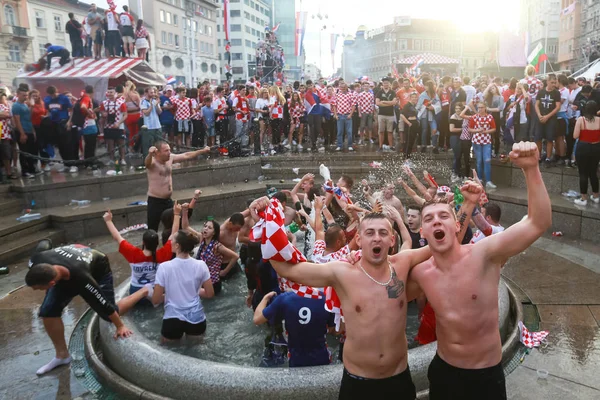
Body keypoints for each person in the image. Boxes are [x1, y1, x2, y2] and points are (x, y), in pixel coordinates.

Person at [409, 142, 552, 399]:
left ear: (456, 224)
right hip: (443, 372)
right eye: (429, 219)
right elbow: (383, 289)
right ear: (423, 232)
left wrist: (531, 169)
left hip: (485, 375)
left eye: (443, 216)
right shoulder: (421, 273)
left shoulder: (484, 254)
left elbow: (537, 223)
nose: (436, 221)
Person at [253, 200, 434, 398]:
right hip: (358, 380)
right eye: (370, 233)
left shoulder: (403, 263)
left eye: (383, 233)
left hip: (398, 378)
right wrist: (267, 220)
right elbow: (287, 269)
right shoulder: (342, 271)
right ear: (359, 238)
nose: (376, 238)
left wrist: (467, 205)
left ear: (392, 240)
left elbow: (442, 246)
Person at [26, 243, 144, 375]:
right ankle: (62, 356)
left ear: (52, 284)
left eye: (39, 288)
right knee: (48, 310)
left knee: (109, 314)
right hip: (71, 260)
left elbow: (103, 303)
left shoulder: (81, 278)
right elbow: (44, 243)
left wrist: (120, 326)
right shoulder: (36, 259)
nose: (37, 291)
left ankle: (144, 291)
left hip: (98, 268)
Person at [152, 229, 215, 342]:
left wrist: (172, 293)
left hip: (172, 318)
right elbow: (210, 294)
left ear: (177, 245)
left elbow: (156, 299)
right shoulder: (201, 265)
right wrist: (194, 290)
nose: (170, 241)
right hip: (196, 318)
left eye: (172, 239)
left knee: (168, 353)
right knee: (195, 355)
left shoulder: (164, 267)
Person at [254, 289, 335, 367]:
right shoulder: (325, 298)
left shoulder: (284, 299)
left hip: (296, 360)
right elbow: (335, 331)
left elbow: (257, 319)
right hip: (322, 358)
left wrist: (265, 298)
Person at [103, 209, 175, 295]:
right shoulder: (162, 254)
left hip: (135, 292)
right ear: (157, 243)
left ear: (143, 242)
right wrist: (177, 215)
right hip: (155, 292)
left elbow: (117, 237)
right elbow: (174, 234)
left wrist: (108, 221)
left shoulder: (133, 253)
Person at [144, 140, 210, 232]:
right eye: (166, 151)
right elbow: (147, 163)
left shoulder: (170, 158)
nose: (169, 152)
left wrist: (202, 151)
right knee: (152, 230)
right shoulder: (152, 162)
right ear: (157, 152)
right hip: (155, 201)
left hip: (168, 201)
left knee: (177, 225)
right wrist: (150, 154)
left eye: (169, 150)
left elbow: (186, 155)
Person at [184, 217, 238, 295]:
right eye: (205, 226)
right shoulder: (202, 239)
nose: (206, 229)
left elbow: (235, 256)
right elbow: (186, 227)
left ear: (214, 233)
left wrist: (224, 271)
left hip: (213, 283)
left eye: (209, 228)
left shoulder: (217, 247)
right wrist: (185, 211)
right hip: (201, 280)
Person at [573, 100, 600, 206]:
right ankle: (596, 196)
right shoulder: (599, 120)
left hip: (583, 147)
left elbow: (575, 136)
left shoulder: (581, 120)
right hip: (596, 148)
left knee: (583, 173)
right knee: (593, 172)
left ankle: (584, 198)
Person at [468, 102, 497, 189]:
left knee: (487, 160)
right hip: (476, 141)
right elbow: (470, 129)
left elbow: (494, 128)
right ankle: (479, 179)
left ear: (485, 108)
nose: (480, 109)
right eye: (478, 107)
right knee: (479, 161)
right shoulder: (474, 117)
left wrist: (486, 131)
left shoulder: (490, 117)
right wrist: (477, 130)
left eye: (481, 107)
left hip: (487, 141)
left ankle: (488, 181)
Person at [535, 74, 561, 166]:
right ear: (547, 82)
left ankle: (548, 158)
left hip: (551, 119)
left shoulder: (556, 93)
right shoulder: (541, 92)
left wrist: (547, 117)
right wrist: (539, 115)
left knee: (550, 139)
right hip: (540, 118)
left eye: (555, 82)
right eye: (552, 82)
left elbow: (557, 107)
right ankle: (538, 157)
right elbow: (536, 104)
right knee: (538, 138)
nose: (554, 84)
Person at [13, 85, 37, 178]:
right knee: (24, 151)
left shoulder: (25, 105)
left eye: (26, 95)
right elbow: (17, 120)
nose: (25, 97)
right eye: (23, 95)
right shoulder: (16, 105)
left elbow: (29, 117)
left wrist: (33, 131)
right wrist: (22, 133)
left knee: (31, 151)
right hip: (22, 131)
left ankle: (32, 169)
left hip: (29, 129)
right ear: (18, 95)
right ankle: (25, 171)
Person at [100, 87, 128, 165]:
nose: (109, 94)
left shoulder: (121, 103)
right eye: (108, 92)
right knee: (110, 144)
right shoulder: (104, 103)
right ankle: (111, 159)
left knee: (121, 143)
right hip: (108, 126)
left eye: (111, 92)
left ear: (115, 93)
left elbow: (125, 115)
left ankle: (122, 159)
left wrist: (118, 123)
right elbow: (101, 112)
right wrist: (103, 114)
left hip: (119, 126)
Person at [140, 86, 163, 157]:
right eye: (151, 92)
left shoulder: (154, 101)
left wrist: (157, 105)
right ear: (146, 93)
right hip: (149, 127)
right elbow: (146, 113)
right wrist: (151, 105)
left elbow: (160, 112)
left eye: (153, 92)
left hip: (157, 125)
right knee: (149, 145)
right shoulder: (143, 101)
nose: (153, 94)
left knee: (159, 144)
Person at [376, 77, 397, 152]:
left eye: (387, 83)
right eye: (384, 83)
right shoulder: (379, 92)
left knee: (390, 131)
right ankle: (380, 146)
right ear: (382, 84)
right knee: (381, 131)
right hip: (381, 114)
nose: (386, 84)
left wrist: (384, 102)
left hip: (390, 114)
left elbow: (394, 102)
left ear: (389, 84)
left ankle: (391, 146)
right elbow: (377, 103)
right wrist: (389, 103)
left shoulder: (393, 92)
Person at [334, 81, 356, 152]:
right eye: (341, 87)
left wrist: (350, 115)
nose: (342, 88)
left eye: (344, 87)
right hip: (340, 115)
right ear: (339, 88)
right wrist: (335, 115)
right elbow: (334, 105)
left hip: (347, 115)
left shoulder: (351, 95)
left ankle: (350, 145)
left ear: (347, 87)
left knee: (349, 132)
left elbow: (353, 106)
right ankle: (339, 145)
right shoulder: (337, 95)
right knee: (340, 132)